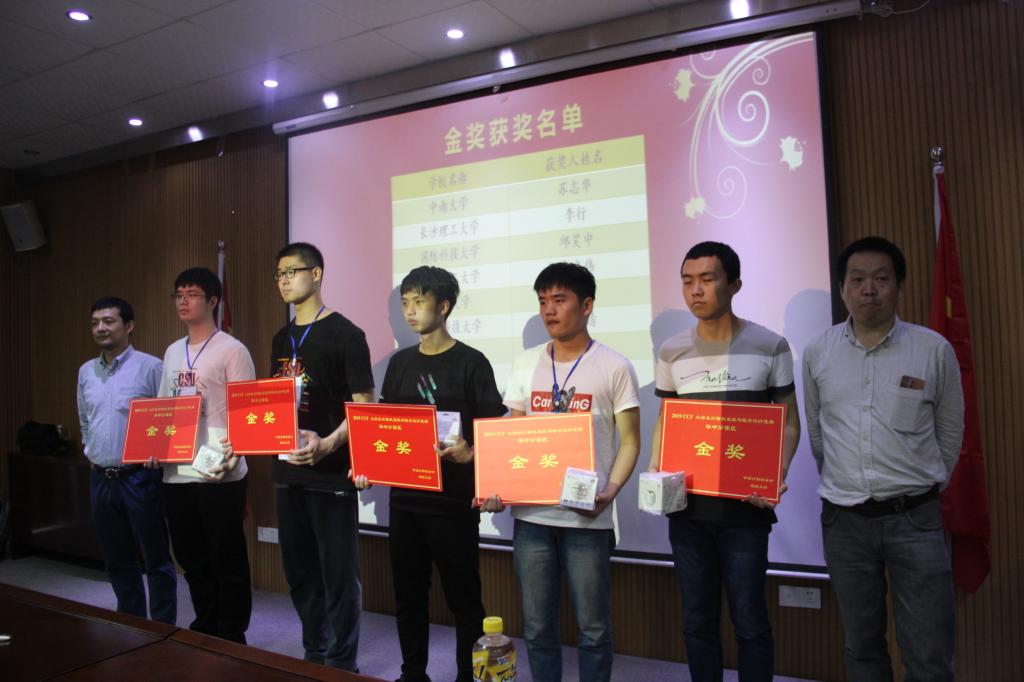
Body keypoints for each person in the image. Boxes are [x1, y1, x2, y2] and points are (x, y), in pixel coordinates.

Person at [802, 236, 963, 682]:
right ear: (842, 289)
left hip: (915, 518)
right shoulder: (817, 352)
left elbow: (950, 432)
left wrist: (926, 485)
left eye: (880, 279)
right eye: (857, 280)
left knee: (929, 651)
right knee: (862, 648)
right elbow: (818, 434)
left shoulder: (932, 349)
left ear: (899, 286)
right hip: (845, 521)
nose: (868, 289)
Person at [647, 241, 800, 682]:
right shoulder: (671, 350)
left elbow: (789, 422)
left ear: (734, 285)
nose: (695, 290)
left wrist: (776, 474)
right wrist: (657, 471)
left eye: (707, 279)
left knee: (750, 621)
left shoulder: (770, 345)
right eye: (687, 281)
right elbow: (667, 421)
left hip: (745, 510)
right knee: (697, 621)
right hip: (688, 510)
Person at [482, 262, 641, 682]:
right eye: (542, 301)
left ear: (586, 305)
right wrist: (497, 486)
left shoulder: (614, 366)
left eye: (559, 299)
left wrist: (610, 490)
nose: (549, 310)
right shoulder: (525, 363)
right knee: (537, 629)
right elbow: (512, 438)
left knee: (594, 629)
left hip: (588, 519)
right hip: (532, 519)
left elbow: (630, 441)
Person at [356, 266, 505, 682]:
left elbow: (494, 435)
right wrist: (367, 465)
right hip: (405, 501)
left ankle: (467, 678)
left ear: (444, 306)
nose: (410, 311)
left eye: (419, 302)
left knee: (464, 600)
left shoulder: (472, 363)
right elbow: (385, 430)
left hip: (453, 503)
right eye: (405, 302)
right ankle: (413, 674)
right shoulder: (400, 364)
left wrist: (470, 453)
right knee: (408, 597)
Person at [267, 242, 374, 671]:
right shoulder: (281, 338)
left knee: (338, 575)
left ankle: (342, 663)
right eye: (279, 274)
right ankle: (314, 651)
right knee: (299, 572)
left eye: (291, 272)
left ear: (316, 274)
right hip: (287, 473)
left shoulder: (347, 334)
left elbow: (365, 405)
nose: (284, 281)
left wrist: (327, 444)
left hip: (330, 475)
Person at [158, 266, 255, 644]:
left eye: (192, 294)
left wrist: (236, 452)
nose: (183, 301)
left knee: (226, 555)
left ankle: (231, 633)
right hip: (177, 471)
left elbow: (246, 411)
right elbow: (163, 408)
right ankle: (206, 624)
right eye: (179, 295)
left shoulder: (232, 349)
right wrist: (154, 448)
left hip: (218, 470)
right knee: (191, 556)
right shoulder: (172, 351)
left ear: (213, 300)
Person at [76, 296, 176, 624]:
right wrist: (89, 449)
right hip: (101, 478)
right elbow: (85, 419)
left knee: (156, 559)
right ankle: (130, 624)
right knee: (117, 559)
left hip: (140, 477)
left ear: (129, 325)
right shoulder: (86, 371)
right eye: (95, 323)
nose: (101, 328)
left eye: (109, 321)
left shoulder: (151, 367)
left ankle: (161, 629)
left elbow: (169, 417)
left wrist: (160, 451)